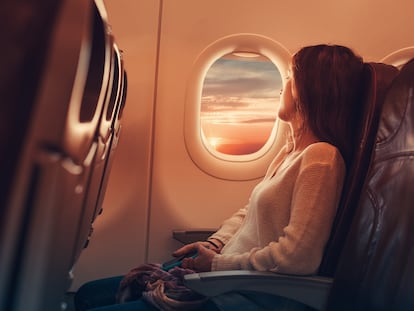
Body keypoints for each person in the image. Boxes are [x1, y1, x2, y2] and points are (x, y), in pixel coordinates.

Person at [74, 44, 364, 311]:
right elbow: (249, 213)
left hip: (243, 295)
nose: (282, 86)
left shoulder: (322, 159)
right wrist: (216, 243)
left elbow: (298, 258)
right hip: (223, 279)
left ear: (312, 89)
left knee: (90, 299)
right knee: (88, 293)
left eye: (289, 77)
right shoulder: (290, 153)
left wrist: (216, 264)